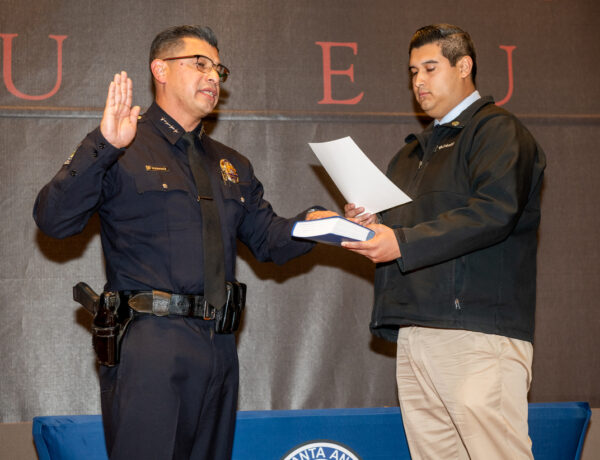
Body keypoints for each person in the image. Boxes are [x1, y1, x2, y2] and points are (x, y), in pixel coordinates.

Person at [34, 25, 329, 459]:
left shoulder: (231, 164)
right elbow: (54, 221)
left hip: (220, 346)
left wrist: (323, 225)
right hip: (151, 344)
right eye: (200, 64)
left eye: (218, 69)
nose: (213, 77)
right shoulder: (122, 143)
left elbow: (269, 240)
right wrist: (102, 146)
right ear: (161, 70)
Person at [343, 24, 546, 459]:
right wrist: (366, 223)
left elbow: (494, 212)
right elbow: (401, 230)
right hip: (416, 330)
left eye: (430, 68)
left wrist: (400, 242)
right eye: (413, 71)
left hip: (476, 331)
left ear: (464, 66)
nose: (418, 81)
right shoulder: (410, 153)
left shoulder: (497, 131)